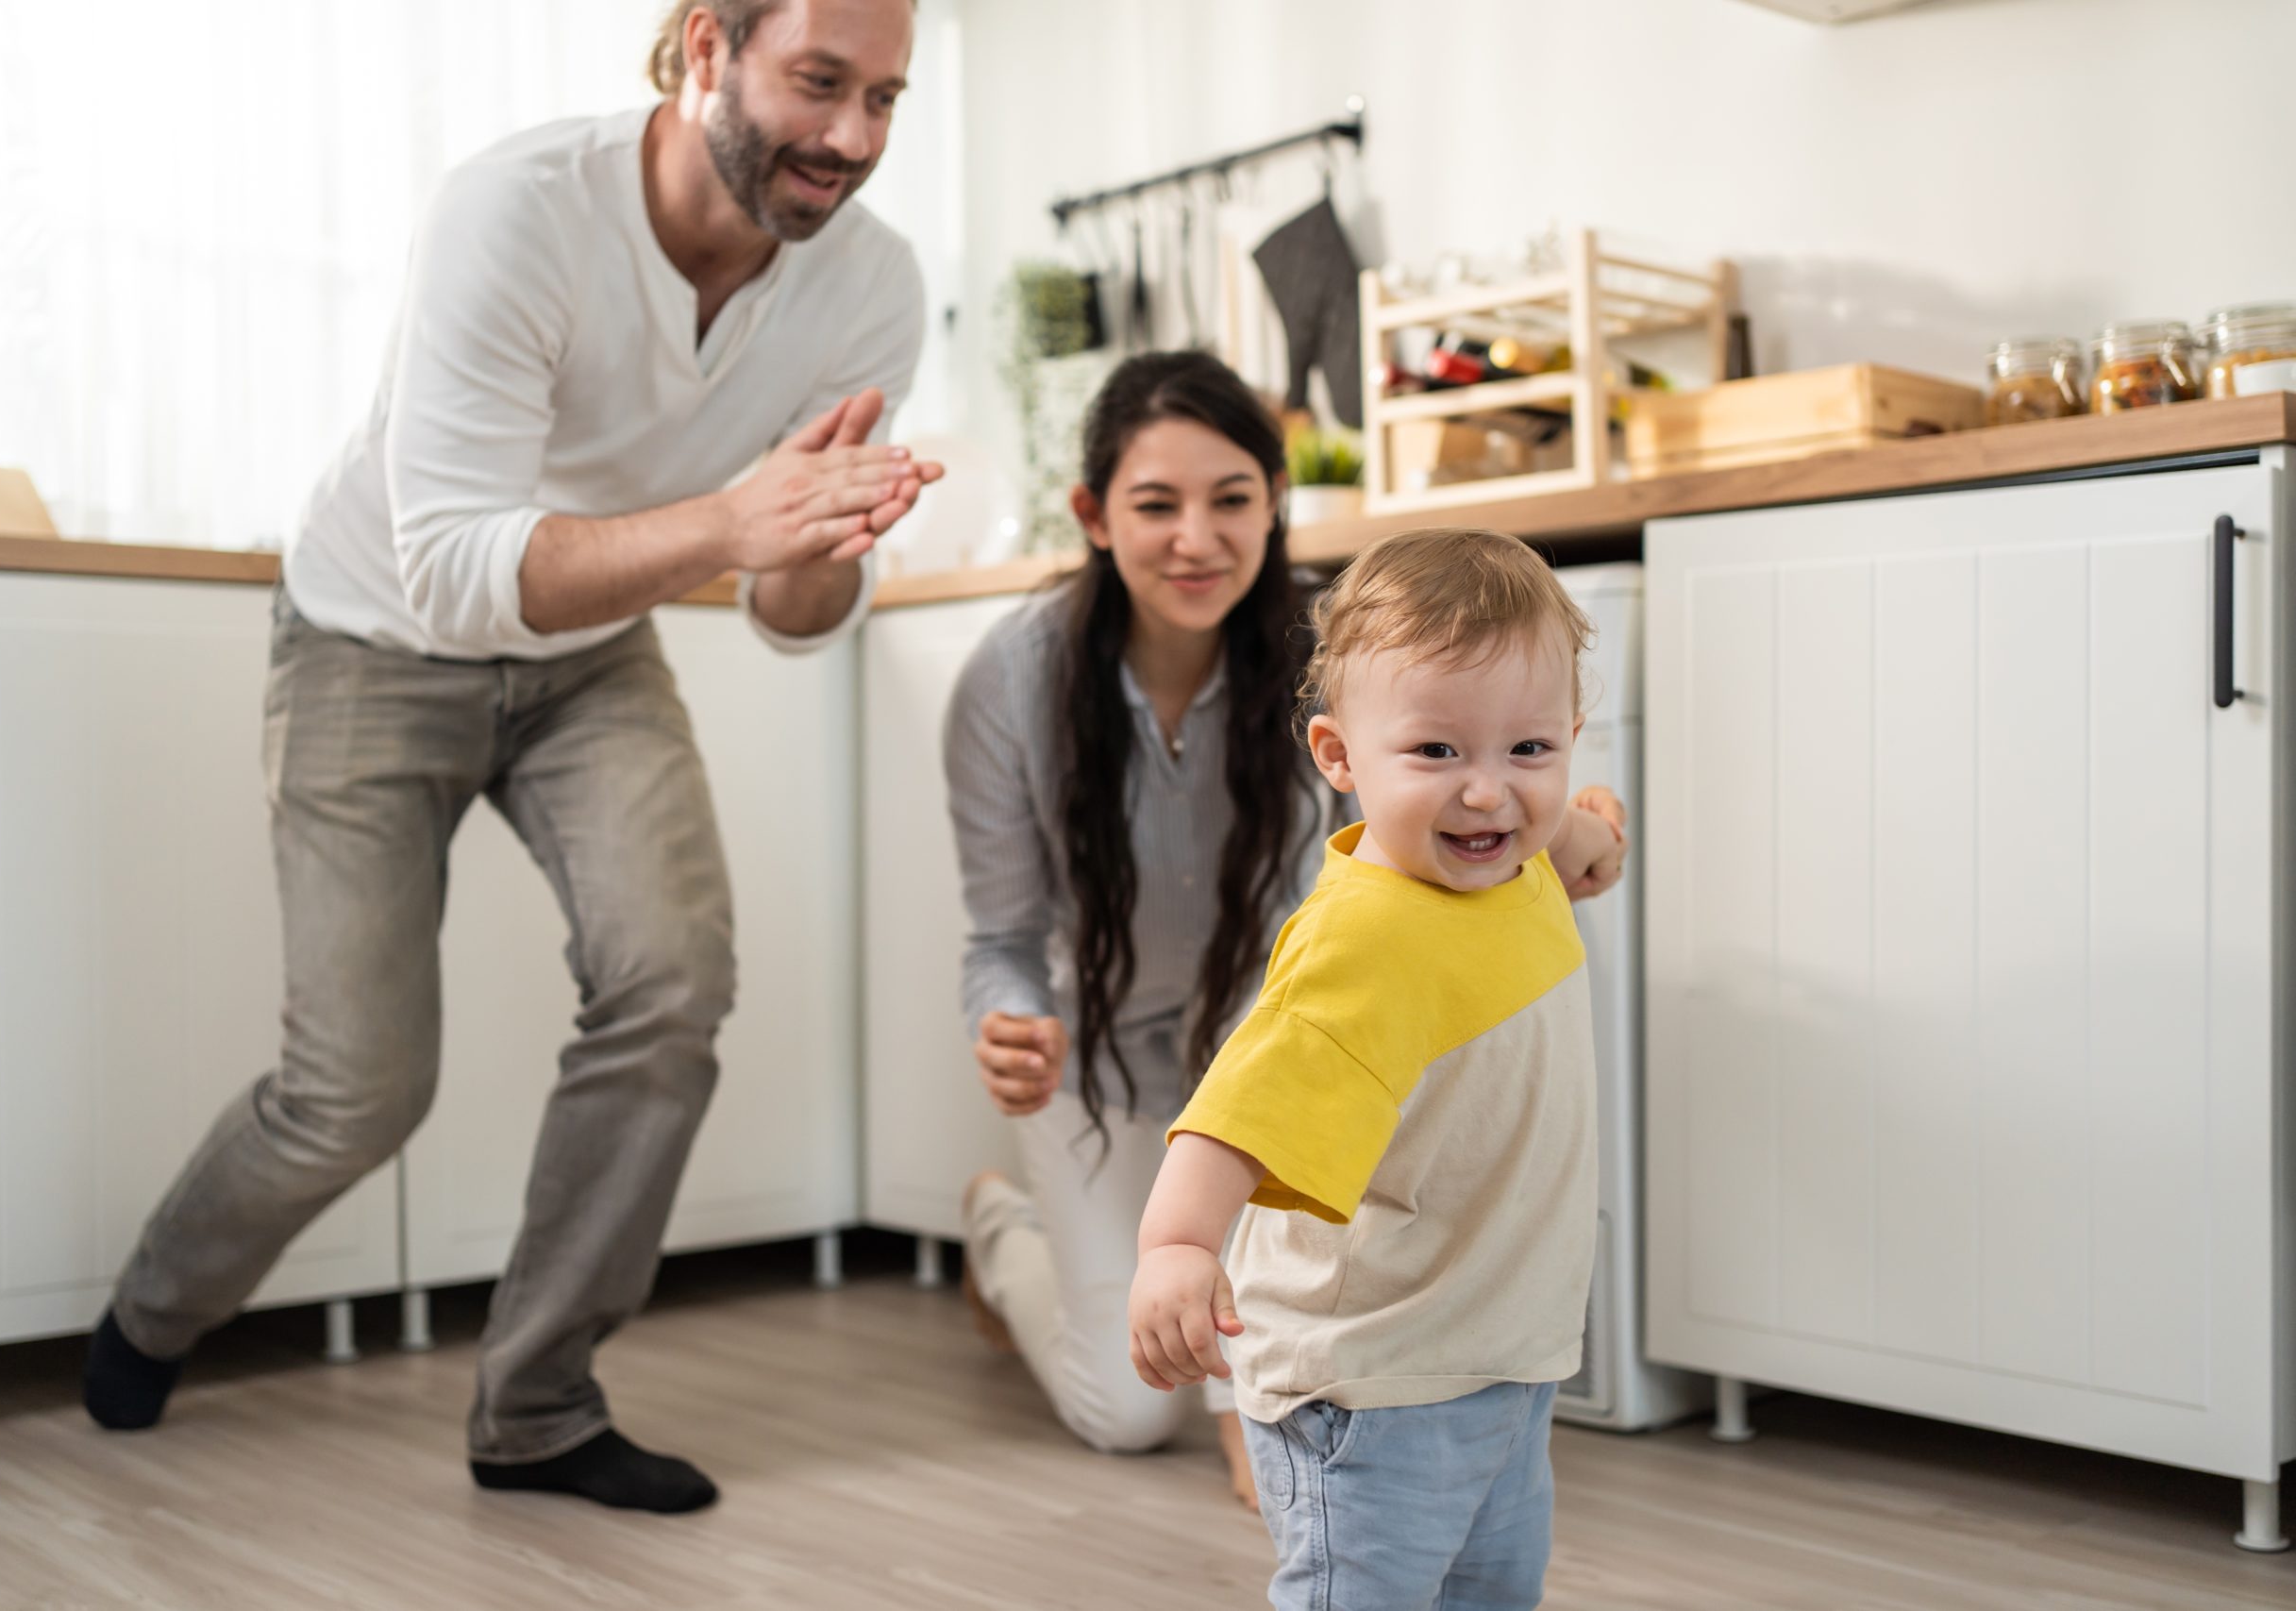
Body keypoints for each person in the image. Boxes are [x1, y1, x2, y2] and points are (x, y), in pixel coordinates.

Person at [80, 0, 939, 1519]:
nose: (855, 141)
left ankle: (537, 1404)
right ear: (703, 48)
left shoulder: (872, 286)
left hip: (591, 654)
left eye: (885, 97)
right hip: (372, 636)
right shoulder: (517, 209)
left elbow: (794, 611)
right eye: (820, 84)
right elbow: (462, 572)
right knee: (356, 1088)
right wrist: (734, 522)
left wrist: (818, 543)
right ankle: (153, 1309)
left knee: (673, 977)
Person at [947, 361, 1625, 1510]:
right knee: (1126, 1408)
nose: (1196, 537)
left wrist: (1572, 821)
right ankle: (1002, 1239)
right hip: (1098, 1064)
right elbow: (1000, 936)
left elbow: (1466, 767)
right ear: (1093, 516)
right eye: (1156, 504)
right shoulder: (1008, 683)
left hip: (1262, 1047)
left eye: (1232, 498)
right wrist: (1007, 1022)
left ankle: (1214, 1369)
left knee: (1225, 1361)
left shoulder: (1333, 650)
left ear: (1274, 502)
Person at [1130, 527, 1604, 1606]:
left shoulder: (1513, 863)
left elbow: (1558, 833)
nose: (1487, 794)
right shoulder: (1366, 941)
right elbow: (1238, 1108)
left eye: (1527, 752)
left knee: (1492, 1592)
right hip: (1370, 1380)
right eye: (1436, 755)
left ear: (1567, 740)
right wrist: (1175, 1245)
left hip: (1495, 1353)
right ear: (1339, 758)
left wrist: (1586, 833)